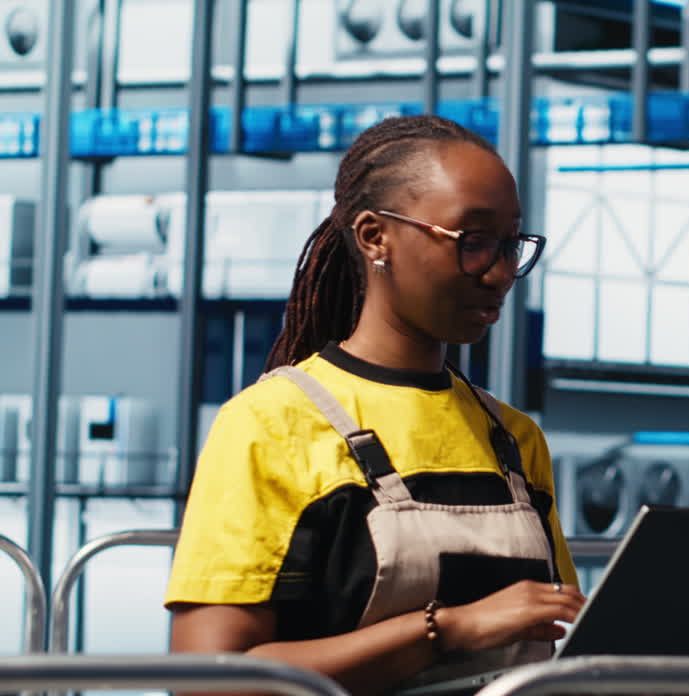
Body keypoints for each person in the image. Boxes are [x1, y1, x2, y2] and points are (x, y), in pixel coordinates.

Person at [164, 115, 585, 696]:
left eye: (512, 243)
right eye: (473, 241)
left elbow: (548, 638)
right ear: (373, 236)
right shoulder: (272, 425)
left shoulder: (513, 438)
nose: (501, 271)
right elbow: (207, 681)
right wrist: (445, 629)